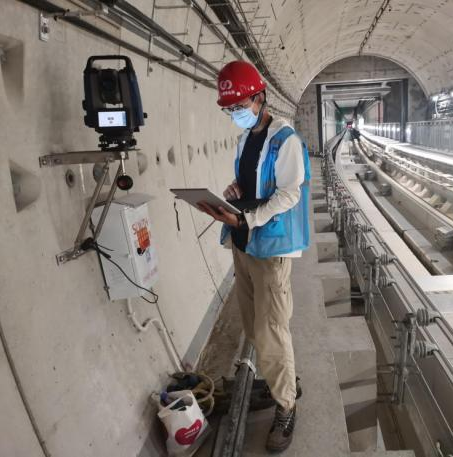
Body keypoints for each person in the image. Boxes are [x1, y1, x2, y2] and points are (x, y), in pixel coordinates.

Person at [197, 60, 311, 453]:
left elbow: (289, 193)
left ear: (260, 98)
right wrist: (235, 191)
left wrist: (247, 217)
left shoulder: (285, 140)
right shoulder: (246, 139)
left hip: (270, 247)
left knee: (272, 329)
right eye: (229, 108)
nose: (235, 113)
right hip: (243, 245)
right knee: (252, 326)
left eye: (240, 105)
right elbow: (252, 183)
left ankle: (287, 406)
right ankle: (284, 380)